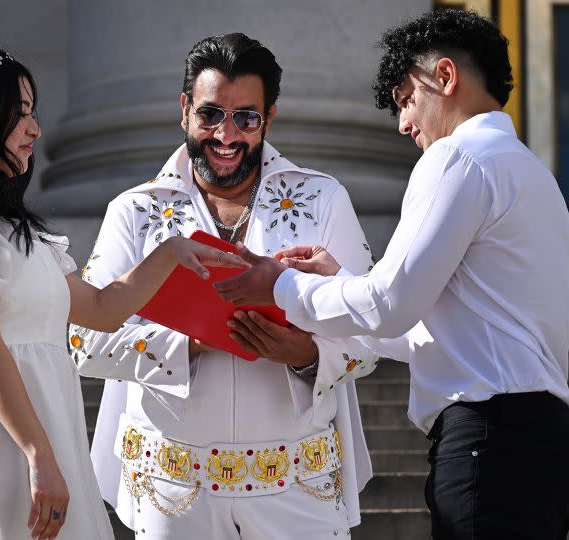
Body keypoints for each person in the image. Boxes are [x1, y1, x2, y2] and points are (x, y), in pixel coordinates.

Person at [0, 42, 245, 540]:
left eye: (33, 112)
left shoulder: (8, 221)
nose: (34, 129)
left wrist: (170, 253)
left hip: (41, 431)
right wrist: (39, 456)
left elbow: (101, 309)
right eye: (18, 115)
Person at [214, 9, 569, 540]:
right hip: (542, 442)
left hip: (491, 440)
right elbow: (428, 333)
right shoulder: (533, 174)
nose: (404, 124)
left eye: (407, 99)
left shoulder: (456, 158)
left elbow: (388, 305)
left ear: (445, 77)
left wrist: (277, 283)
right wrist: (336, 282)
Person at [72, 33, 399, 540]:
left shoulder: (323, 199)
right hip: (172, 486)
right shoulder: (135, 211)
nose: (226, 135)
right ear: (185, 111)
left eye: (246, 118)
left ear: (269, 118)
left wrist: (305, 354)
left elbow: (370, 332)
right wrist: (192, 340)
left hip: (298, 483)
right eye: (210, 115)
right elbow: (84, 342)